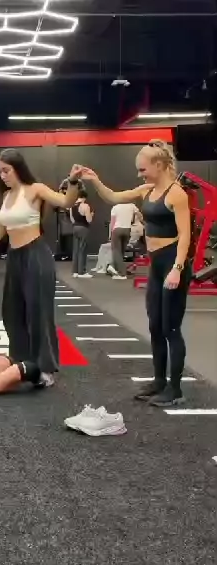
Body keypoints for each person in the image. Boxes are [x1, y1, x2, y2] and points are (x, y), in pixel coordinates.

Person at [82, 139, 192, 407]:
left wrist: (177, 269)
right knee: (155, 326)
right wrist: (95, 180)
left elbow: (185, 235)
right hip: (156, 264)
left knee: (171, 327)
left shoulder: (177, 194)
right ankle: (159, 381)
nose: (139, 174)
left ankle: (175, 389)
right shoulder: (147, 190)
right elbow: (113, 197)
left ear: (159, 165)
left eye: (143, 169)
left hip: (172, 262)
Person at [0, 149, 83, 386]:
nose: (3, 176)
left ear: (18, 168)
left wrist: (72, 181)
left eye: (6, 171)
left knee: (38, 313)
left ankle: (45, 367)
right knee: (12, 312)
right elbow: (1, 229)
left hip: (35, 255)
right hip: (15, 257)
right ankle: (23, 363)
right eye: (0, 172)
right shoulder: (7, 196)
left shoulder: (35, 189)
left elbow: (66, 202)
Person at [108, 201, 140, 279]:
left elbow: (112, 222)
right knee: (121, 251)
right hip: (127, 230)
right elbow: (140, 215)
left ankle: (121, 274)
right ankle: (116, 269)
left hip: (117, 230)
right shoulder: (132, 206)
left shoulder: (115, 207)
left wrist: (110, 235)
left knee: (116, 251)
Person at [70, 190, 93, 278]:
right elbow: (89, 220)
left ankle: (75, 271)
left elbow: (72, 219)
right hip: (83, 228)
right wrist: (91, 215)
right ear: (84, 197)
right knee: (82, 249)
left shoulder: (72, 206)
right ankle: (81, 272)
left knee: (75, 250)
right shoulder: (85, 206)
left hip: (75, 228)